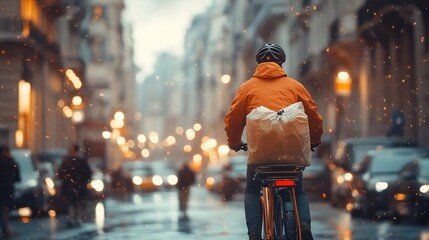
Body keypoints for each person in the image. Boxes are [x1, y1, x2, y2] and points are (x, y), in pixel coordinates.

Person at [224, 43, 323, 240]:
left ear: (258, 63)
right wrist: (314, 140)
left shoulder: (247, 88)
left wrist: (234, 142)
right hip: (292, 155)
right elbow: (313, 116)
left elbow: (233, 120)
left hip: (262, 157)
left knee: (252, 190)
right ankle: (303, 224)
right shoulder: (295, 86)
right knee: (299, 189)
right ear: (281, 63)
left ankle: (254, 233)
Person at [58, 143, 92, 227]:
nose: (71, 152)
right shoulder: (67, 161)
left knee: (77, 203)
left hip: (78, 186)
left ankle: (77, 219)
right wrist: (67, 181)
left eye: (72, 150)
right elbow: (61, 173)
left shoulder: (80, 161)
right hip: (70, 186)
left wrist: (82, 182)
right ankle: (72, 219)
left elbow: (88, 173)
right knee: (72, 203)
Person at [0, 145, 21, 239]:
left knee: (5, 208)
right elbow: (17, 177)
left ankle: (5, 226)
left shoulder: (11, 162)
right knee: (4, 208)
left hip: (7, 189)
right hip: (5, 189)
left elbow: (17, 176)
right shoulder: (10, 162)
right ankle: (5, 227)